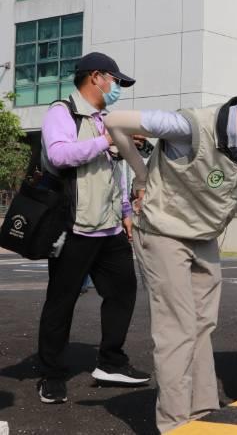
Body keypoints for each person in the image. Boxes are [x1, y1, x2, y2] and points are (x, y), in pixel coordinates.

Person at [105, 76, 237, 432]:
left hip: (204, 237)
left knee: (201, 326)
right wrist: (140, 175)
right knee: (177, 329)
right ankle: (176, 423)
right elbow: (115, 122)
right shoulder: (189, 126)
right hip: (164, 231)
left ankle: (203, 412)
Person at [36, 52, 150, 405]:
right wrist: (108, 141)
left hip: (110, 226)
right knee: (61, 301)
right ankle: (51, 375)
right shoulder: (62, 112)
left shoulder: (105, 118)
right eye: (116, 81)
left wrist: (126, 211)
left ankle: (111, 362)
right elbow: (59, 155)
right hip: (75, 226)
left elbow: (114, 173)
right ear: (96, 77)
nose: (118, 88)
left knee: (123, 292)